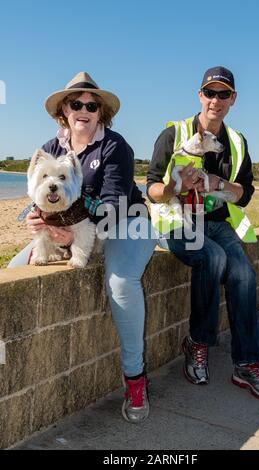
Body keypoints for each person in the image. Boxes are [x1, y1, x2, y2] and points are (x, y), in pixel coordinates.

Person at [8, 72, 157, 421]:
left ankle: (135, 378)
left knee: (120, 284)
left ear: (101, 112)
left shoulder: (115, 146)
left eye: (92, 105)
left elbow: (115, 206)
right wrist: (33, 216)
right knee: (15, 271)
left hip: (128, 225)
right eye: (76, 103)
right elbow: (40, 189)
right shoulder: (53, 147)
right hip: (76, 230)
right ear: (64, 109)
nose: (84, 109)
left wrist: (72, 235)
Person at [147, 66, 259, 400]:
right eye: (210, 93)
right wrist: (173, 188)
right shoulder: (173, 134)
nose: (215, 101)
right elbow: (150, 187)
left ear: (232, 99)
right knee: (212, 257)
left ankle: (247, 364)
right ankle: (198, 342)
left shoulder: (235, 142)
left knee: (244, 275)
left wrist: (218, 184)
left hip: (219, 223)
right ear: (199, 96)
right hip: (176, 220)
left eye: (223, 94)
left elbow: (245, 193)